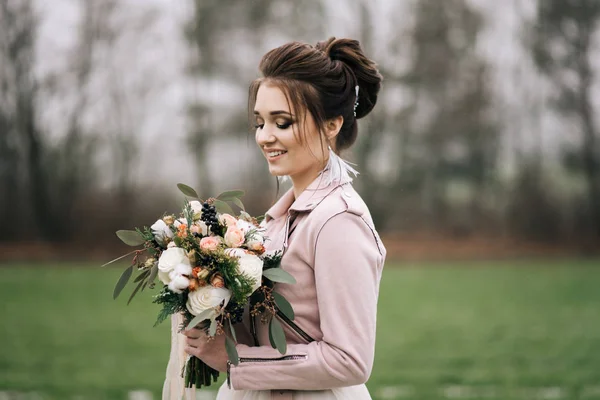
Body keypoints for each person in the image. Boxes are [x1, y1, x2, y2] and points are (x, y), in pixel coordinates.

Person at [180, 37, 386, 400]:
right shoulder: (277, 219)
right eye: (260, 122)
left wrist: (235, 361)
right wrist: (203, 296)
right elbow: (273, 328)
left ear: (332, 124)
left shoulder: (339, 221)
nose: (264, 137)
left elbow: (350, 361)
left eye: (283, 122)